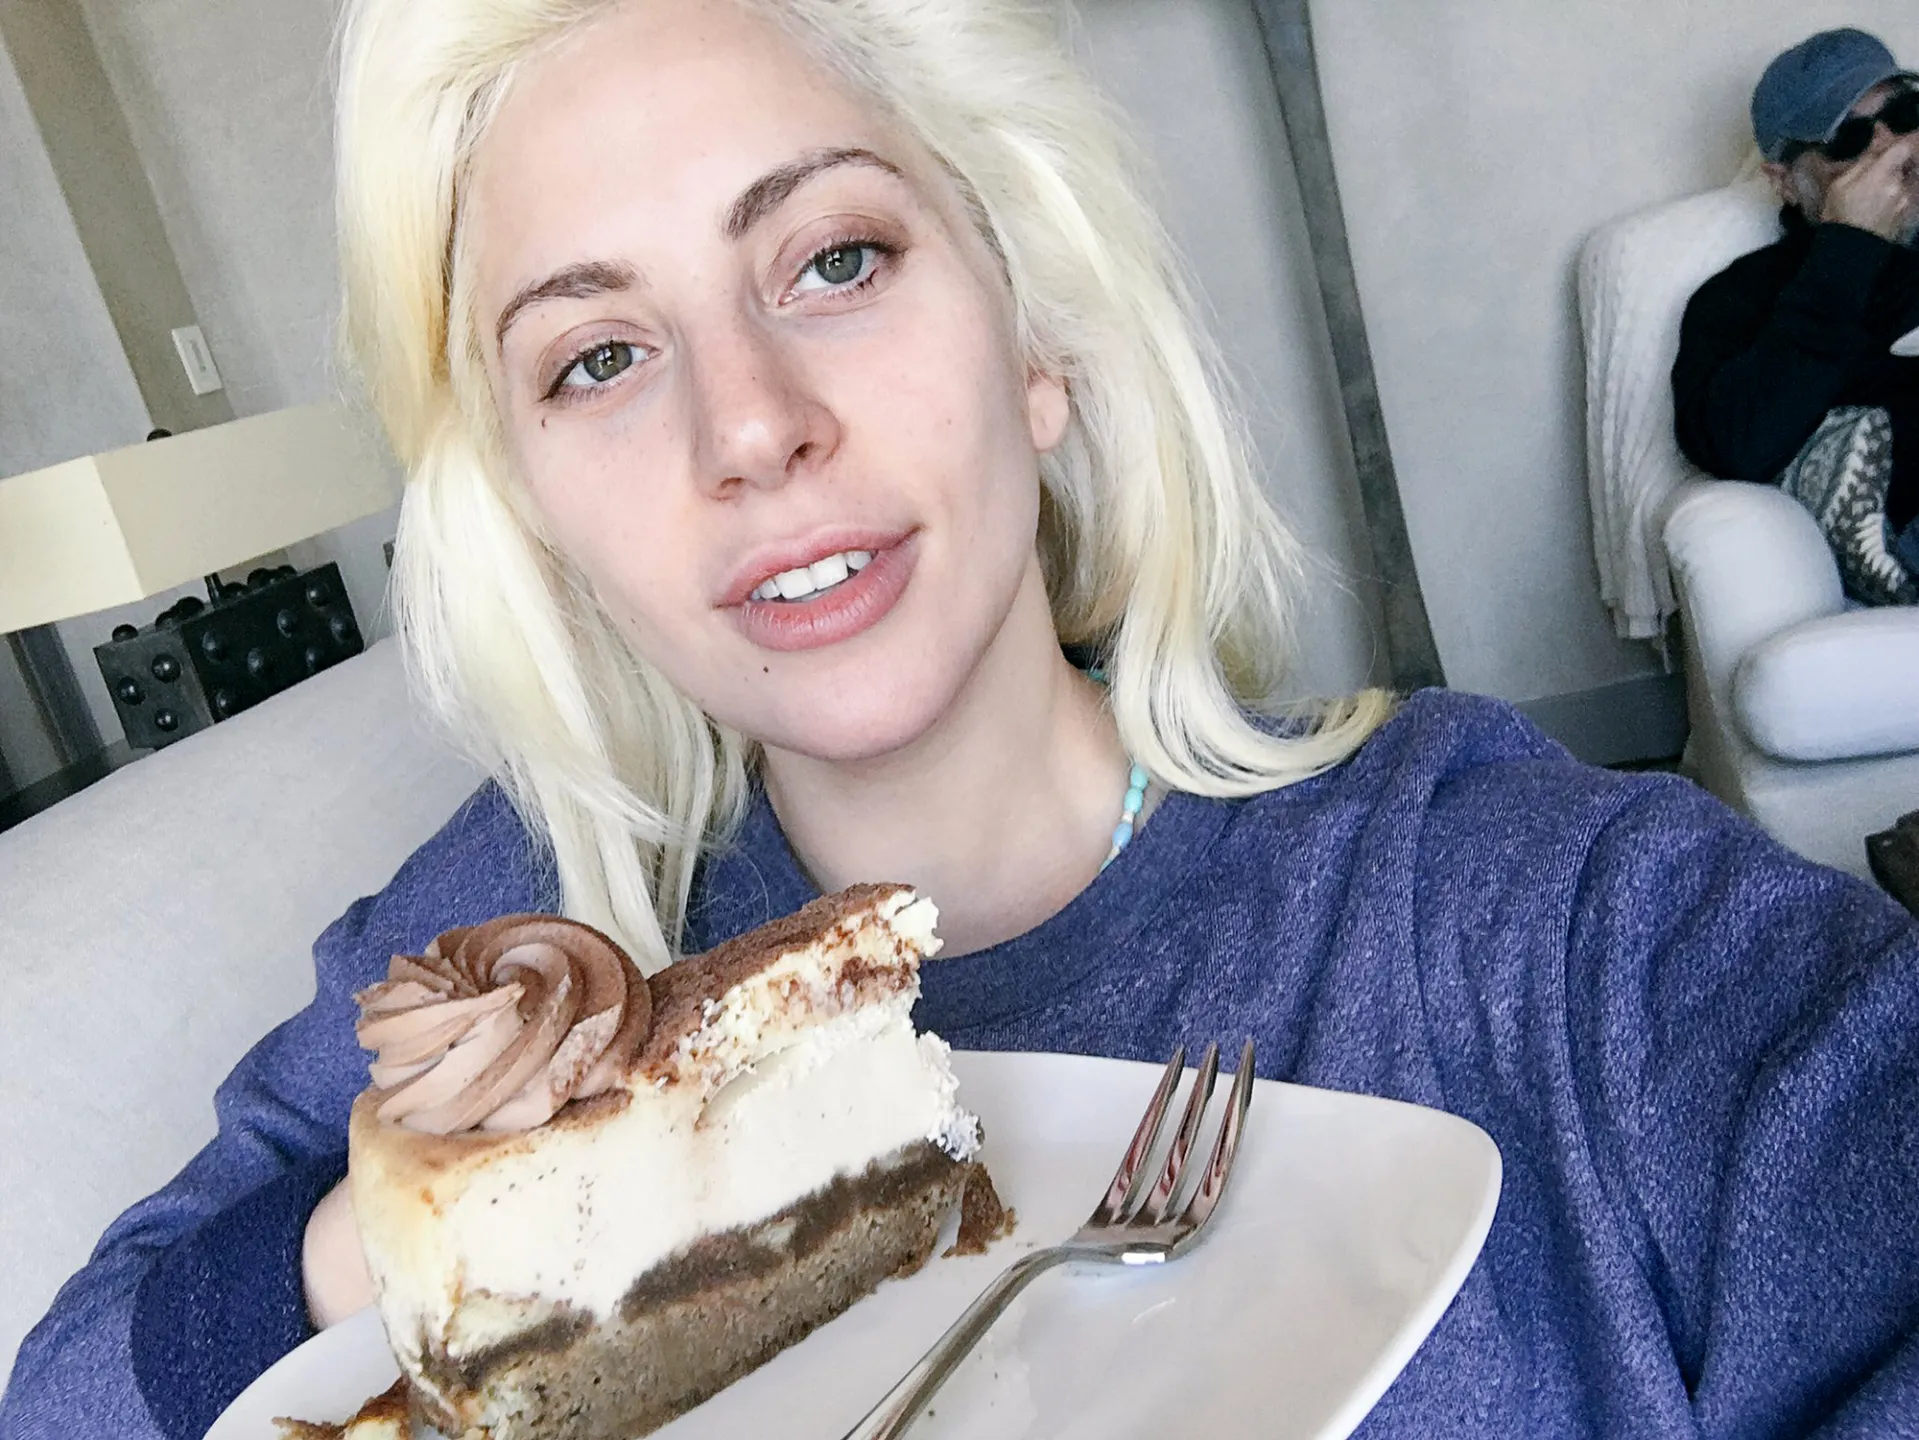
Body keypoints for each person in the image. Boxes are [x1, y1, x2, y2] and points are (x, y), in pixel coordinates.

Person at [7, 2, 1919, 1436]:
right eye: (596, 357)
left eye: (833, 259)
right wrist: (462, 1210)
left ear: (1032, 343)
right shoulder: (518, 934)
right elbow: (76, 1390)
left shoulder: (1523, 907)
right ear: (540, 521)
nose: (748, 426)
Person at [1673, 26, 1919, 601]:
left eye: (1904, 114)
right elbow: (1738, 445)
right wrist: (1850, 248)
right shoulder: (1741, 296)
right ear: (1786, 182)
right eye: (1849, 140)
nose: (1892, 152)